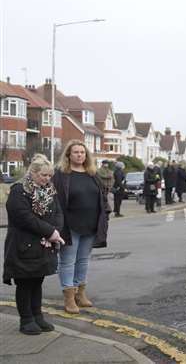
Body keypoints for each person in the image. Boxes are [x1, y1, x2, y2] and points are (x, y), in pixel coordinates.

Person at [3, 154, 66, 334]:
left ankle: (38, 316)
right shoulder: (18, 190)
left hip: (43, 244)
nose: (47, 179)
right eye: (43, 175)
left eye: (49, 176)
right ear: (33, 173)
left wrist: (55, 231)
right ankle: (26, 319)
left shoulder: (49, 190)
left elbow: (58, 213)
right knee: (25, 283)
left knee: (37, 281)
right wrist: (50, 232)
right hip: (23, 245)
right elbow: (24, 218)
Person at [53, 140, 110, 314]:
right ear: (68, 155)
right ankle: (69, 297)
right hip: (69, 226)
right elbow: (55, 201)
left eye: (82, 152)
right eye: (76, 152)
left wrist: (106, 214)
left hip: (91, 224)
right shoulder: (61, 175)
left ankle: (80, 293)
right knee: (68, 261)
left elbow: (102, 197)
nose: (79, 155)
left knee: (83, 260)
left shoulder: (92, 174)